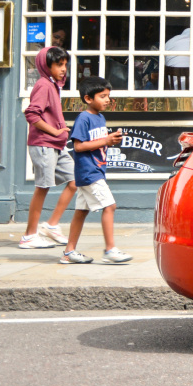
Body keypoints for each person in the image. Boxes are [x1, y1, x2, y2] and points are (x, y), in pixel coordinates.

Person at [60, 76, 131, 265]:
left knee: (81, 211)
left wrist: (110, 138)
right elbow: (78, 147)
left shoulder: (99, 117)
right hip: (89, 172)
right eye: (102, 96)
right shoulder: (84, 118)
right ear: (88, 98)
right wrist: (106, 141)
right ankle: (110, 250)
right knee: (110, 206)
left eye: (108, 96)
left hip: (95, 170)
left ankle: (69, 252)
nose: (107, 100)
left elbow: (96, 141)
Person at [19, 46, 78, 249]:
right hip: (44, 144)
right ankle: (29, 236)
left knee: (74, 180)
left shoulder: (53, 85)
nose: (64, 69)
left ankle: (51, 225)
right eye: (58, 65)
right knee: (42, 188)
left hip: (56, 145)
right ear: (46, 65)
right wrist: (55, 131)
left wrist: (59, 131)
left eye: (65, 65)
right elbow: (31, 114)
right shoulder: (44, 85)